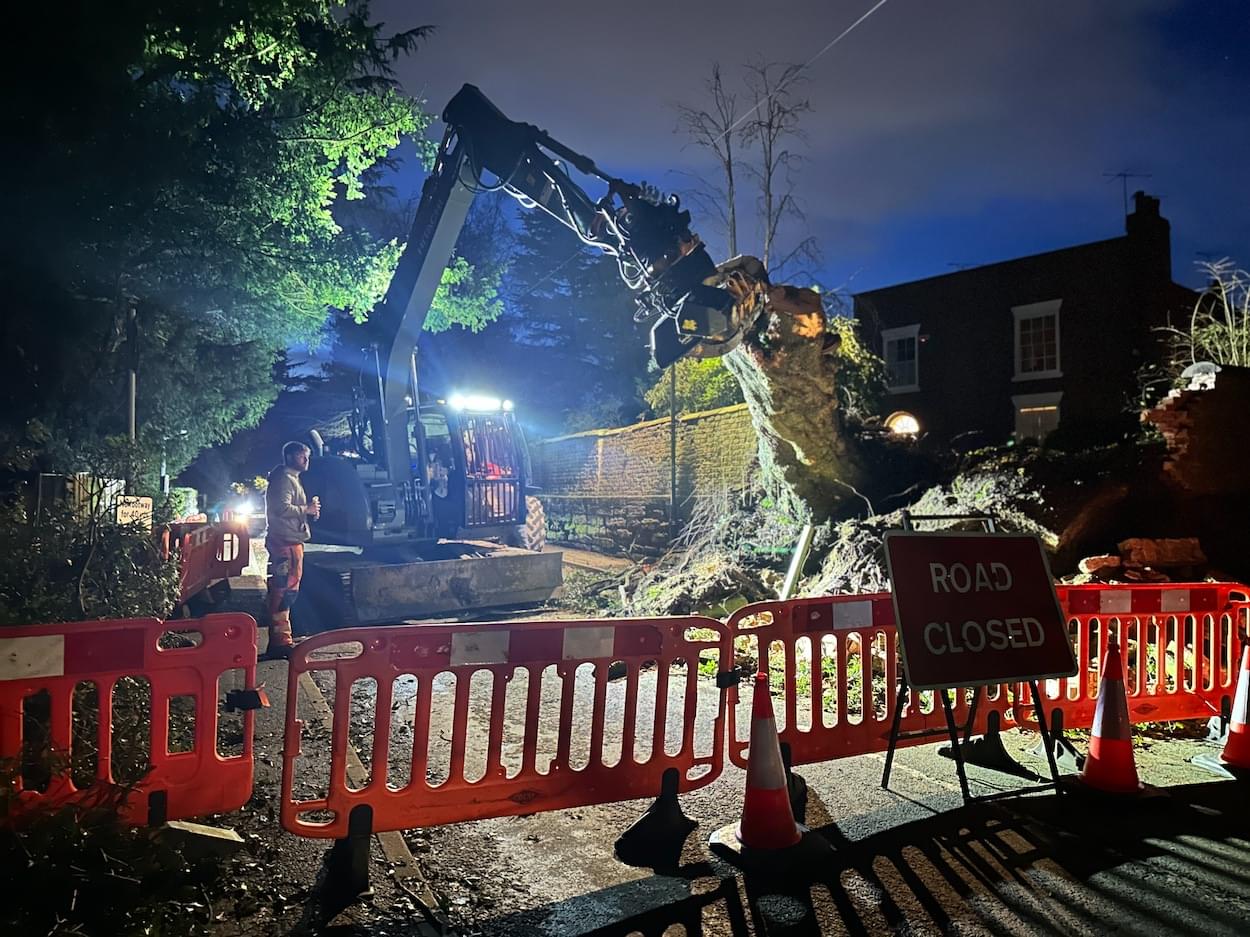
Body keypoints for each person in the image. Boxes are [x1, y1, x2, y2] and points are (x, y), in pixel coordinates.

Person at [264, 441, 320, 659]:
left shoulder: (290, 478)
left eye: (307, 456)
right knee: (283, 590)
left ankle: (282, 638)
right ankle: (280, 641)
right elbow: (282, 508)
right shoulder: (284, 479)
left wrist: (308, 511)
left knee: (287, 589)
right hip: (284, 542)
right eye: (301, 456)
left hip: (290, 541)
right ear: (289, 457)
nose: (306, 460)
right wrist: (306, 509)